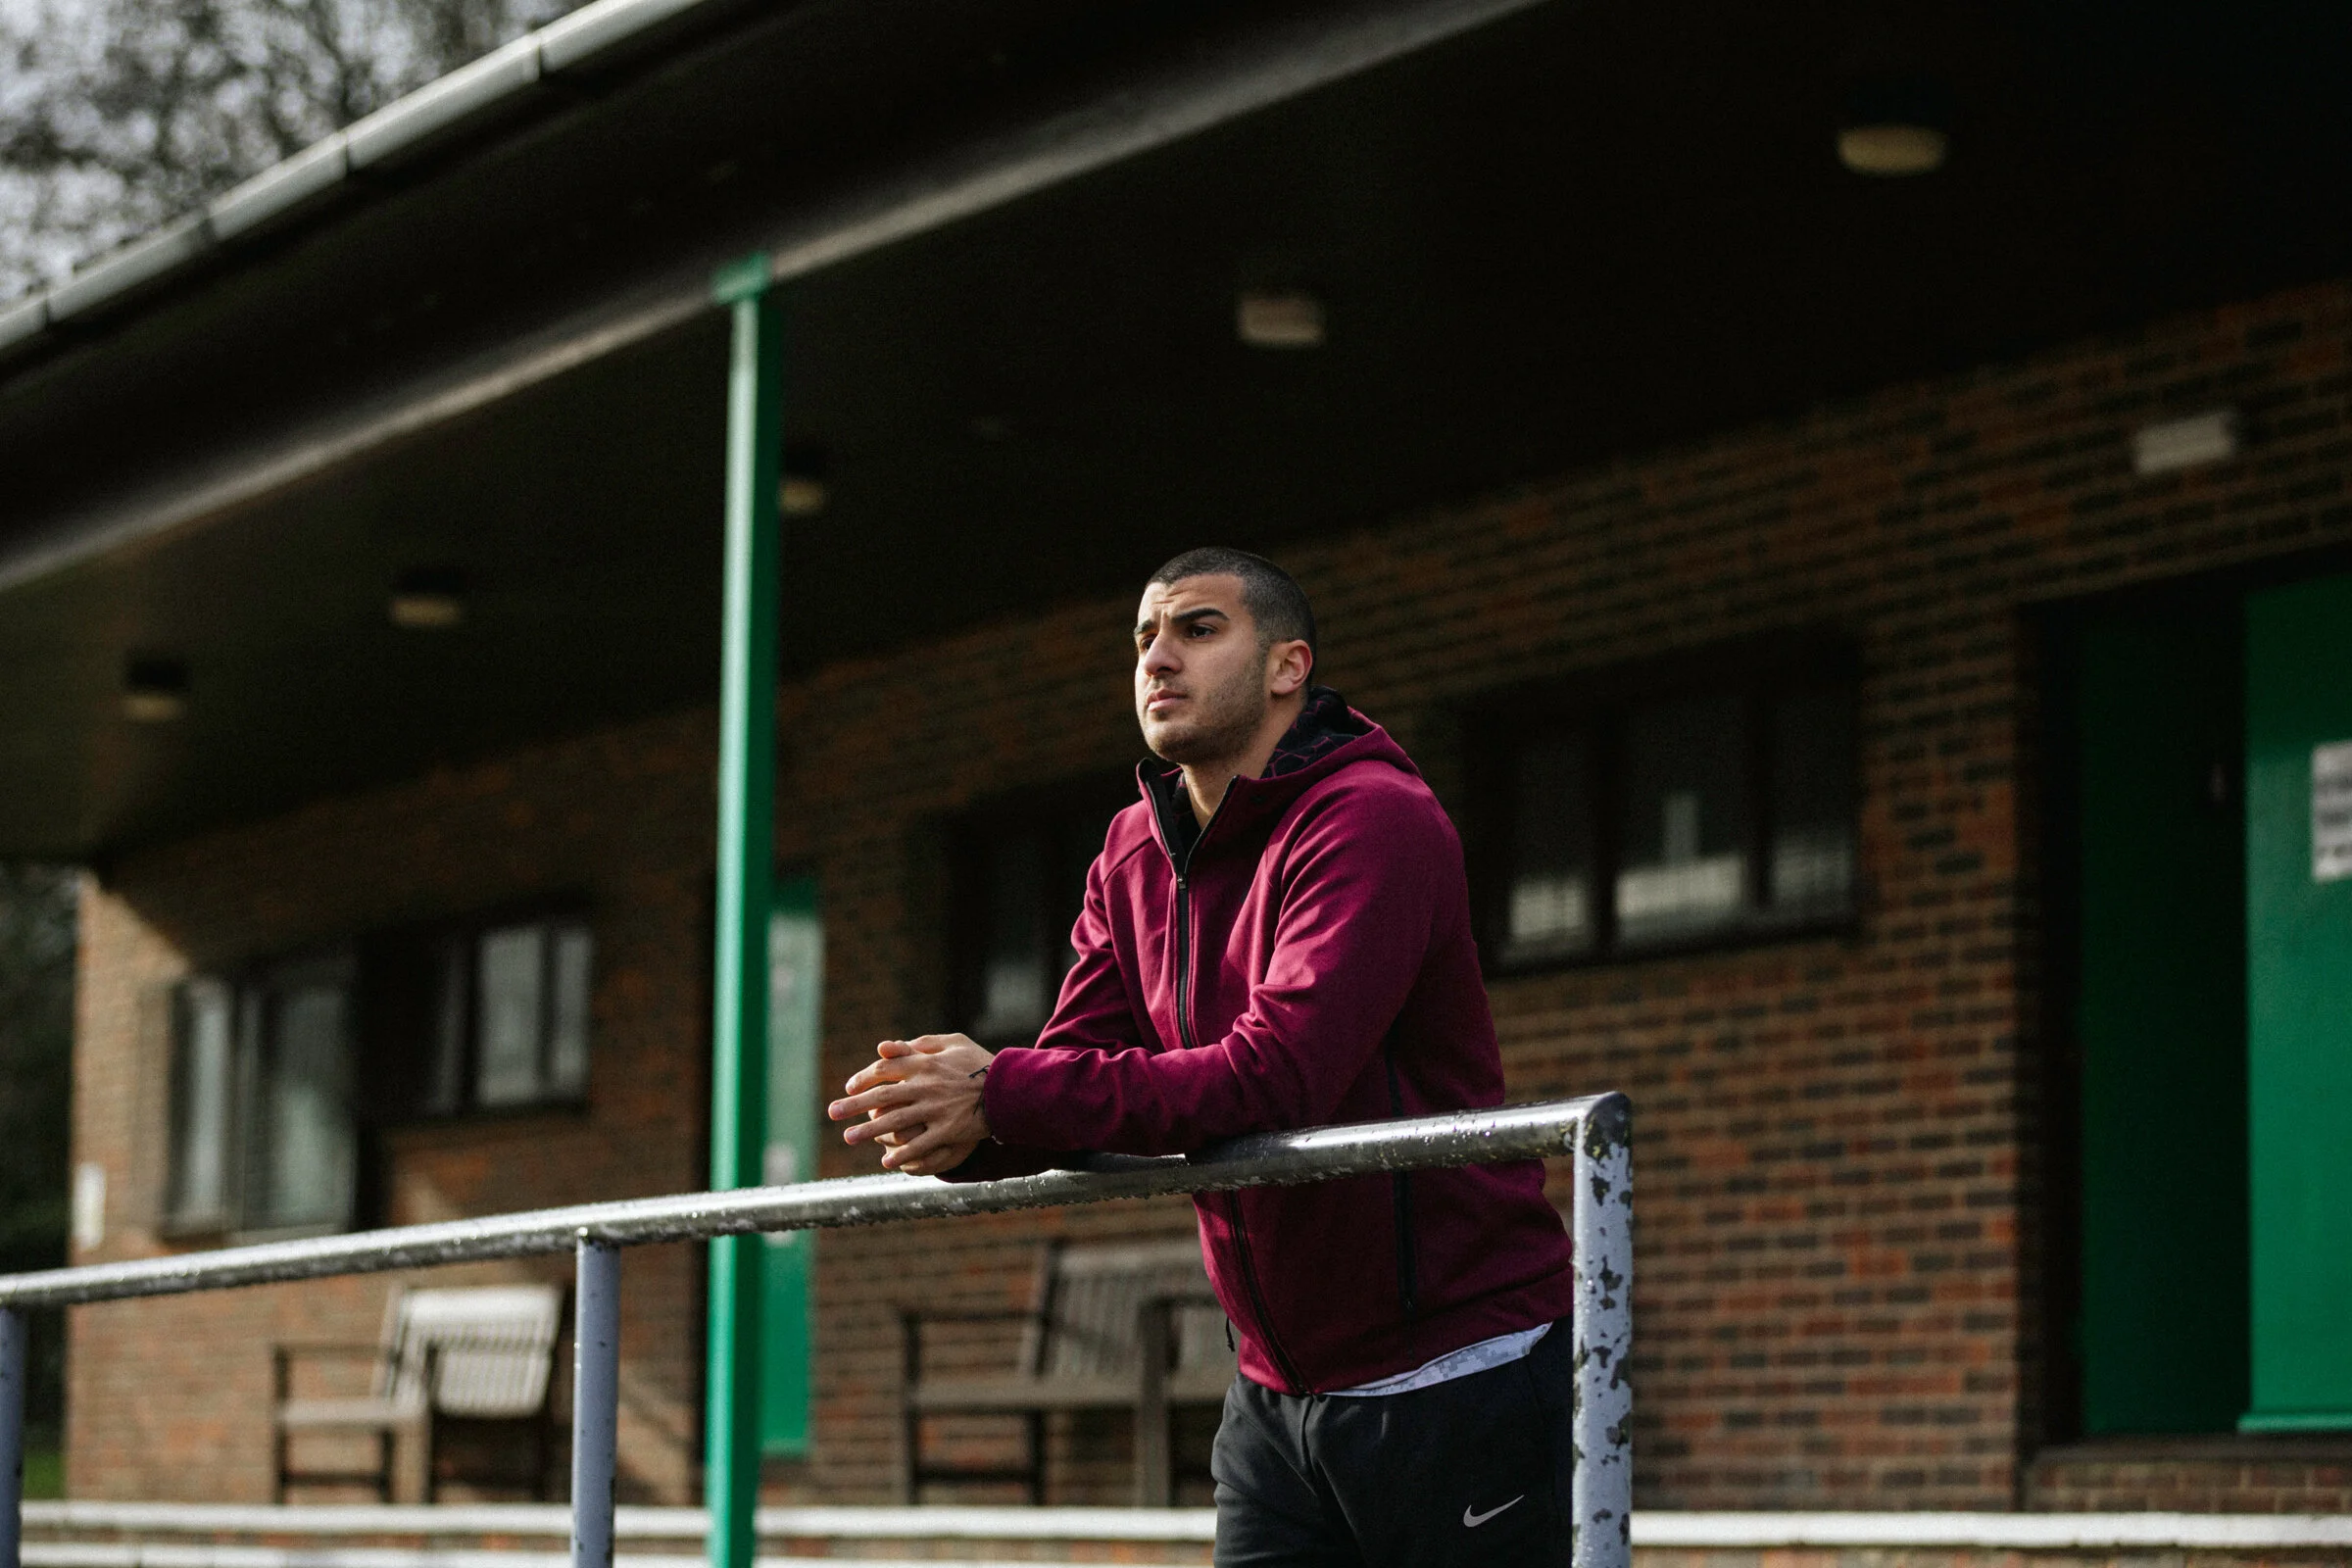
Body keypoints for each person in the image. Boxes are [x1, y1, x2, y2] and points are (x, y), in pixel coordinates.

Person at [827, 547, 1581, 1566]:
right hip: (1273, 1391)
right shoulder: (1132, 850)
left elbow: (1278, 1074)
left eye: (1198, 628)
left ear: (1287, 666)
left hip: (1454, 1367)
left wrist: (998, 1088)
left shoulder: (1372, 818)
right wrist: (958, 1125)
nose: (1158, 658)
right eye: (1144, 637)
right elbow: (1077, 1069)